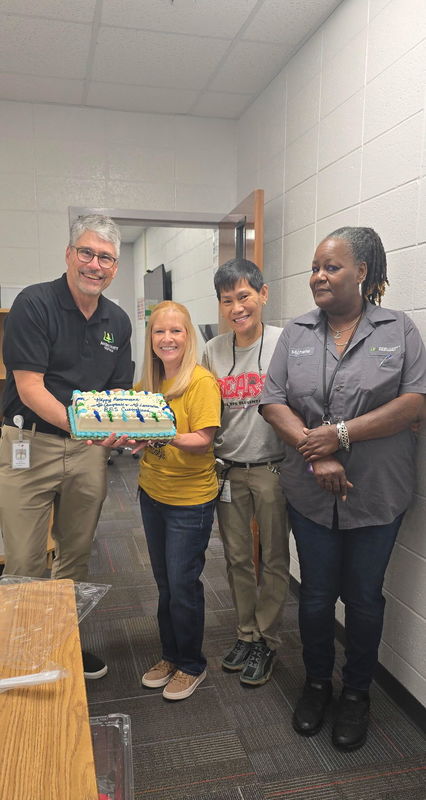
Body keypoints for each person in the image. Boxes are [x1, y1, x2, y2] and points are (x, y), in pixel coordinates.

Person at [260, 227, 426, 750]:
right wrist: (321, 451)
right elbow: (273, 400)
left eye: (331, 267)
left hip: (377, 493)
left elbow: (414, 402)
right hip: (310, 493)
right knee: (313, 597)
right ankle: (315, 684)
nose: (318, 276)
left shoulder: (399, 330)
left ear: (363, 272)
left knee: (363, 598)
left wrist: (344, 433)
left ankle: (356, 693)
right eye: (315, 267)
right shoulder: (297, 331)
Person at [0, 214, 133, 679]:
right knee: (24, 558)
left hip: (87, 453)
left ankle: (62, 642)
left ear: (114, 267)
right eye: (87, 252)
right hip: (29, 445)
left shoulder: (117, 320)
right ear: (69, 254)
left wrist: (121, 423)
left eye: (106, 258)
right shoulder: (33, 303)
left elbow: (117, 392)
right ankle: (21, 653)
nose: (95, 264)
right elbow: (31, 387)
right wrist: (89, 428)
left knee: (76, 552)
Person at [202, 259, 289, 686]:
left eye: (244, 297)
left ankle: (267, 640)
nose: (237, 307)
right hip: (228, 471)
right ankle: (245, 632)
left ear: (263, 294)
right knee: (237, 557)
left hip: (272, 468)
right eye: (227, 300)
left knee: (273, 557)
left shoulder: (285, 342)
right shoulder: (213, 350)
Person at [134, 301, 221, 701]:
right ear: (150, 338)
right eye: (159, 332)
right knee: (164, 583)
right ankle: (170, 655)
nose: (167, 339)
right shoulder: (147, 385)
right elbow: (137, 433)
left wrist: (161, 432)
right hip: (151, 494)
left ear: (189, 336)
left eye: (176, 331)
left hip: (190, 502)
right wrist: (131, 438)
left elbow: (203, 442)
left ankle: (192, 665)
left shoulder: (201, 382)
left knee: (184, 585)